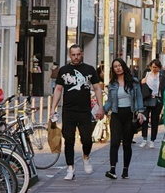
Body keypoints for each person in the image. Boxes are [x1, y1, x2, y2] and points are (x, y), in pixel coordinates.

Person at [50, 44, 104, 180]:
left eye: (78, 54)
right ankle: (70, 168)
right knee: (69, 139)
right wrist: (52, 109)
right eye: (73, 55)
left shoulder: (89, 69)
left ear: (82, 54)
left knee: (87, 138)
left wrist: (100, 107)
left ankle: (86, 156)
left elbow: (97, 88)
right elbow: (58, 89)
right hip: (68, 110)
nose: (76, 57)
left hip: (84, 110)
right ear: (69, 55)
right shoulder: (64, 70)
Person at [103, 59, 145, 179]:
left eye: (120, 65)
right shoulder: (112, 84)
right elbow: (110, 101)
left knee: (127, 144)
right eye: (115, 66)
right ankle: (112, 169)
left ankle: (125, 170)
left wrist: (140, 112)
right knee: (114, 142)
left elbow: (139, 97)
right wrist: (102, 111)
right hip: (116, 114)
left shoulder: (134, 82)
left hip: (130, 115)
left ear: (124, 67)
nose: (118, 68)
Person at [139, 59, 165, 149]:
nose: (154, 69)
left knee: (155, 120)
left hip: (157, 100)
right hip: (146, 99)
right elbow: (141, 86)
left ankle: (152, 140)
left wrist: (163, 101)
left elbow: (164, 89)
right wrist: (142, 82)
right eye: (153, 67)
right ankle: (144, 139)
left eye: (156, 67)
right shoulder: (146, 74)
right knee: (144, 119)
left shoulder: (161, 76)